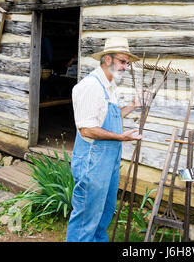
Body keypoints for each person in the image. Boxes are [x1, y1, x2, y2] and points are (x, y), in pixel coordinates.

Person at [66, 37, 142, 242]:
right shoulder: (91, 86)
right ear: (107, 59)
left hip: (109, 161)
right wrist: (121, 137)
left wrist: (134, 104)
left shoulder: (110, 86)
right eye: (122, 61)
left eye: (127, 63)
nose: (126, 67)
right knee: (86, 217)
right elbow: (87, 130)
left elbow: (113, 114)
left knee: (104, 213)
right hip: (93, 161)